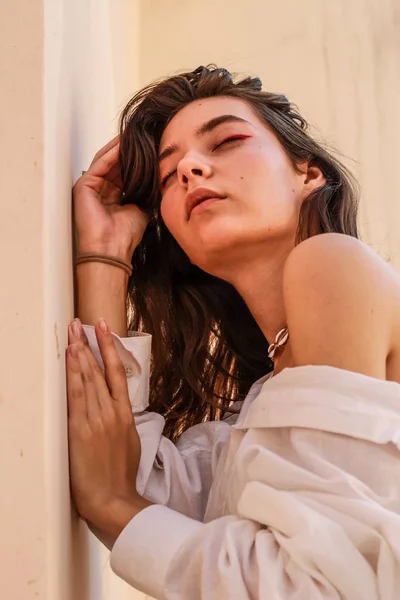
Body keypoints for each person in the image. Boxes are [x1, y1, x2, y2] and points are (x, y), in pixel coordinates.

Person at [66, 65, 400, 599]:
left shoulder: (336, 264)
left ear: (308, 173)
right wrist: (105, 255)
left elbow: (310, 587)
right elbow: (127, 475)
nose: (190, 170)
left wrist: (113, 507)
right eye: (166, 178)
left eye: (227, 141)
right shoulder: (257, 413)